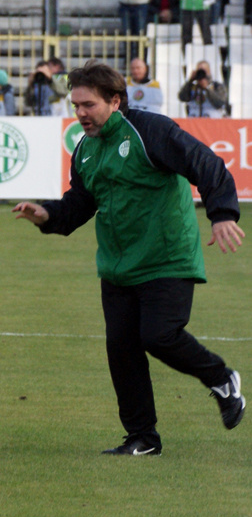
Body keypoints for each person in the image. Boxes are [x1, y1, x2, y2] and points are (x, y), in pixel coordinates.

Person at [14, 62, 243, 455]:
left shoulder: (150, 130)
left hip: (166, 257)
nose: (80, 113)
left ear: (115, 101)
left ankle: (222, 379)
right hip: (118, 266)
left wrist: (221, 214)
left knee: (158, 335)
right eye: (76, 105)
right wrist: (49, 215)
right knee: (122, 350)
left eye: (88, 104)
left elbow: (206, 164)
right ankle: (142, 438)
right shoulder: (85, 148)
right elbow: (82, 202)